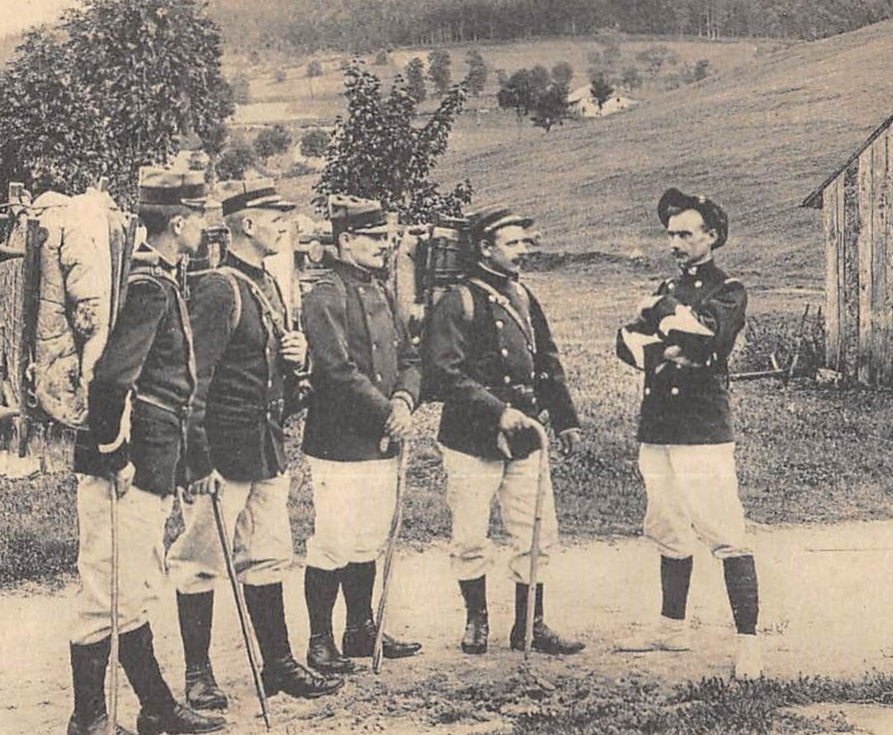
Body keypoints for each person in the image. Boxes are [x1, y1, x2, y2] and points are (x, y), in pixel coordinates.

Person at [65, 164, 227, 735]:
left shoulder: (166, 278)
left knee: (130, 586)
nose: (208, 227)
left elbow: (168, 387)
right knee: (106, 586)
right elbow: (111, 382)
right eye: (201, 216)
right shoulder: (149, 287)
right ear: (178, 222)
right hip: (123, 465)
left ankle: (156, 706)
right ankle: (87, 718)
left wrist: (177, 466)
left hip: (150, 462)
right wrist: (115, 454)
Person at [167, 182, 344, 707]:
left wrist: (298, 359)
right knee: (201, 561)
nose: (285, 225)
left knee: (267, 557)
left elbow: (264, 367)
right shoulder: (220, 287)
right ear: (247, 224)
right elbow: (192, 380)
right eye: (276, 216)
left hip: (264, 446)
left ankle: (279, 664)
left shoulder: (266, 282)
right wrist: (196, 458)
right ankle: (198, 675)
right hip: (220, 454)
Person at [424, 206, 585, 656]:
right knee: (471, 535)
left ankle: (529, 625)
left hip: (526, 435)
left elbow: (547, 362)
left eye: (524, 243)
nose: (522, 252)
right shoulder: (459, 301)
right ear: (484, 248)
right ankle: (476, 620)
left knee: (534, 533)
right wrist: (497, 412)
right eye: (512, 244)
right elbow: (444, 373)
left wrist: (566, 419)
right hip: (471, 438)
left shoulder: (523, 296)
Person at [614, 188, 761, 680]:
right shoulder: (665, 288)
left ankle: (749, 642)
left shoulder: (730, 290)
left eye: (684, 233)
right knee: (668, 525)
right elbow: (625, 342)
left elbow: (705, 335)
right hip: (658, 426)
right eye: (670, 233)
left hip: (702, 428)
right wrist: (667, 343)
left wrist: (663, 319)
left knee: (722, 527)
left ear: (712, 236)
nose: (674, 242)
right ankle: (671, 628)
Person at [297, 195, 424, 675]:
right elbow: (335, 369)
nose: (384, 245)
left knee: (369, 537)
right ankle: (319, 640)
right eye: (373, 238)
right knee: (334, 538)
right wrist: (386, 410)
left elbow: (411, 359)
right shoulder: (326, 292)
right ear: (346, 239)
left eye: (386, 237)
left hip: (381, 438)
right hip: (340, 441)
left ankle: (360, 628)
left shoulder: (381, 291)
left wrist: (406, 401)